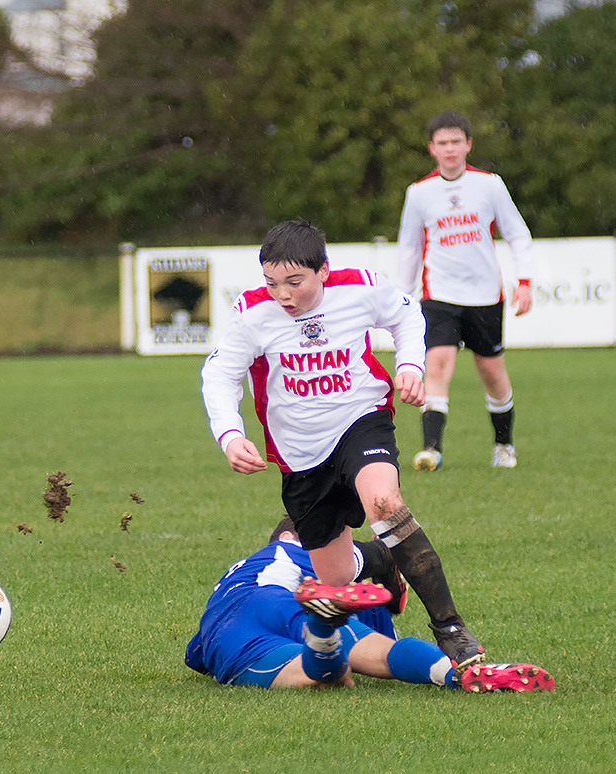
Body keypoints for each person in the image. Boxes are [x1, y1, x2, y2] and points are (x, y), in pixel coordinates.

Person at [201, 218, 484, 669]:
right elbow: (219, 373)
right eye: (272, 283)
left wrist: (410, 365)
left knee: (385, 502)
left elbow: (407, 314)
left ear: (323, 271)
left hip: (360, 421)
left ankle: (450, 628)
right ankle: (381, 562)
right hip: (299, 453)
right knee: (333, 577)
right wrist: (230, 435)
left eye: (295, 282)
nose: (283, 295)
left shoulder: (361, 288)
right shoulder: (253, 312)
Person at [185, 517, 554, 692]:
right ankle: (453, 675)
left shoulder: (235, 576)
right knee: (373, 654)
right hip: (290, 599)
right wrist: (391, 578)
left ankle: (322, 629)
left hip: (227, 628)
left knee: (329, 678)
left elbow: (195, 657)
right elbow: (380, 555)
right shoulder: (296, 550)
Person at [397, 110, 533, 472]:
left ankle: (503, 444)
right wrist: (402, 297)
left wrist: (525, 282)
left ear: (468, 144)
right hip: (438, 293)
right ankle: (431, 449)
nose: (450, 149)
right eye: (443, 143)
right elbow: (409, 248)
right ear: (432, 149)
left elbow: (517, 233)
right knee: (437, 364)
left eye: (456, 141)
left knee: (491, 372)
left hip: (485, 296)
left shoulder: (489, 184)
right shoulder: (419, 193)